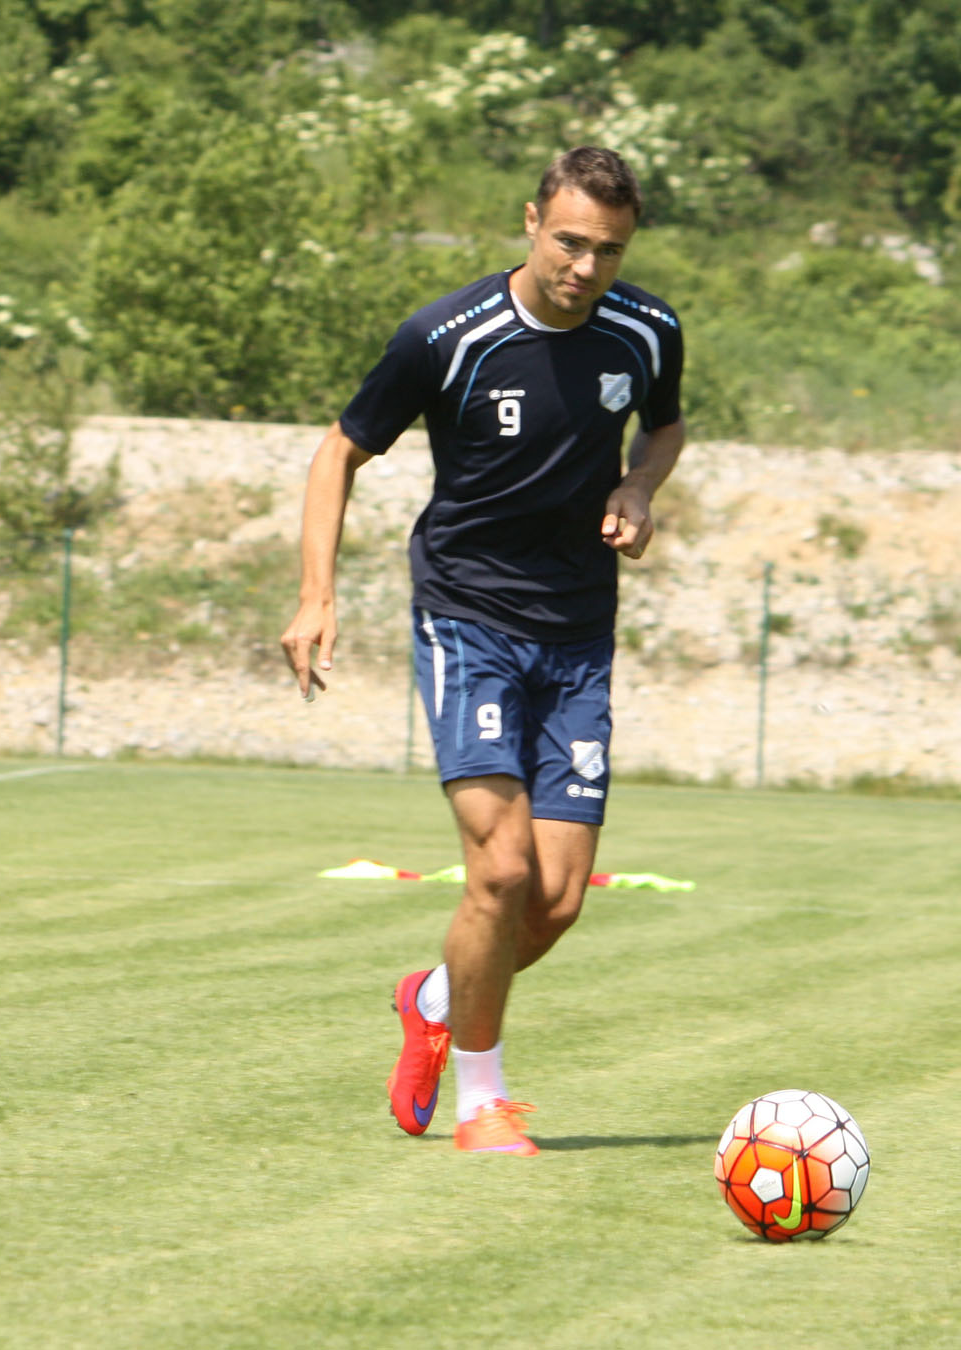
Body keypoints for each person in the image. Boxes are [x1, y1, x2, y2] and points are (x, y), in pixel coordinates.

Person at [279, 147, 685, 1156]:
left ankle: (431, 998)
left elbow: (665, 429)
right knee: (500, 874)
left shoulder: (648, 329)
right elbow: (339, 450)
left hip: (579, 635)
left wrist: (639, 486)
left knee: (554, 901)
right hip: (468, 620)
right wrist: (317, 593)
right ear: (531, 221)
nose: (586, 268)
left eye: (609, 250)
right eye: (570, 242)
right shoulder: (445, 336)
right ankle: (481, 1103)